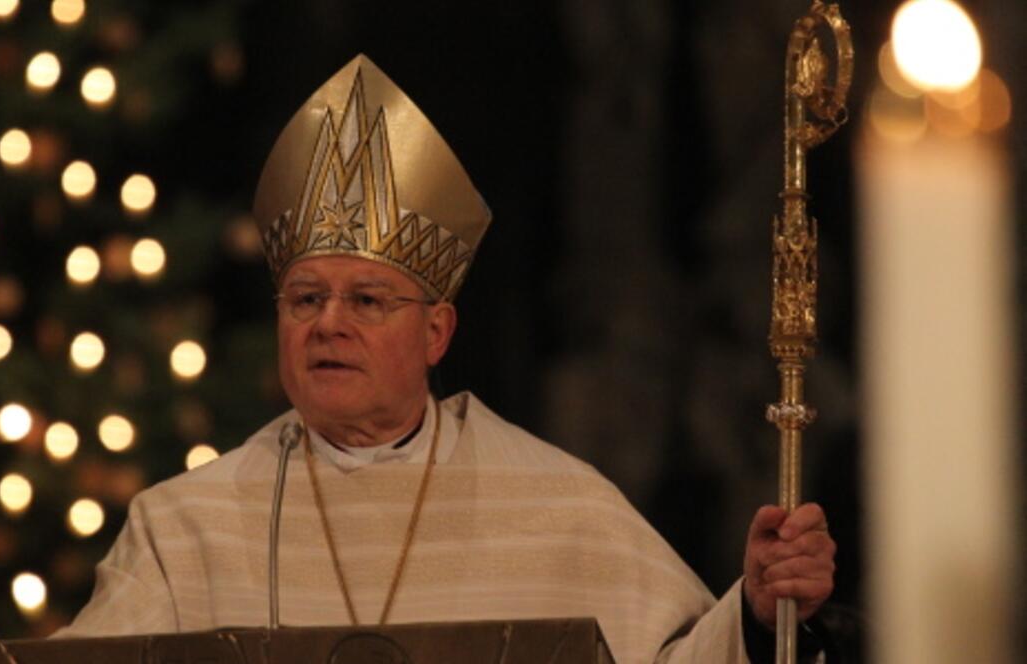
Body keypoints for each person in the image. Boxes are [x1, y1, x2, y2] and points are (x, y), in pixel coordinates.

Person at [57, 55, 835, 663]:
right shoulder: (184, 529)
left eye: (366, 300)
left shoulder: (561, 509)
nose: (328, 324)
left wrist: (758, 613)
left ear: (436, 333)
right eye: (304, 299)